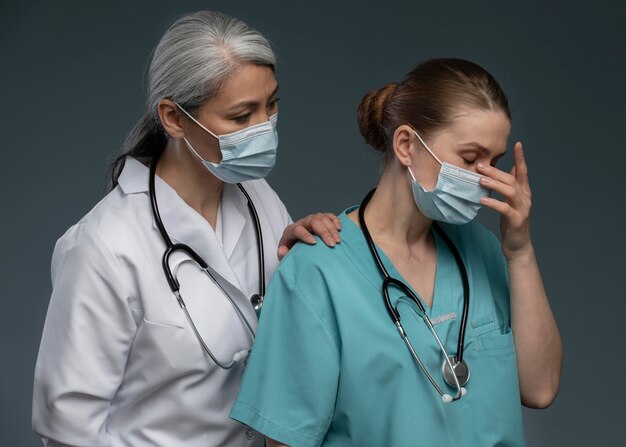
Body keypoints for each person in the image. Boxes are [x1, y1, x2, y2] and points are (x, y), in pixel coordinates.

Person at [32, 11, 342, 447]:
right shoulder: (104, 246)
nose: (264, 129)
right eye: (240, 116)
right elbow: (68, 430)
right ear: (174, 118)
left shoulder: (258, 197)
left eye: (271, 105)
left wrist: (303, 267)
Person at [231, 58, 563, 446]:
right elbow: (286, 439)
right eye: (470, 159)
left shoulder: (482, 249)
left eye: (495, 162)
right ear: (406, 145)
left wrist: (520, 251)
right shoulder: (317, 273)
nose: (486, 178)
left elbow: (539, 388)